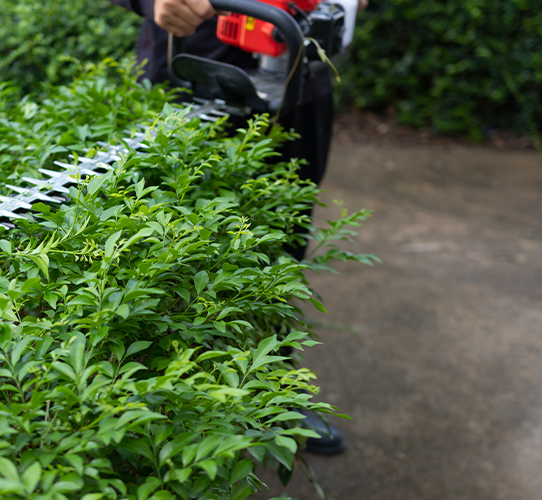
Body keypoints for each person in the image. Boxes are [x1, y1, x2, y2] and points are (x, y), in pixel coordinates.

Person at [109, 0, 367, 455]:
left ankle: (272, 389)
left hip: (299, 86)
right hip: (190, 76)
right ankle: (167, 408)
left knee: (282, 246)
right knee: (170, 254)